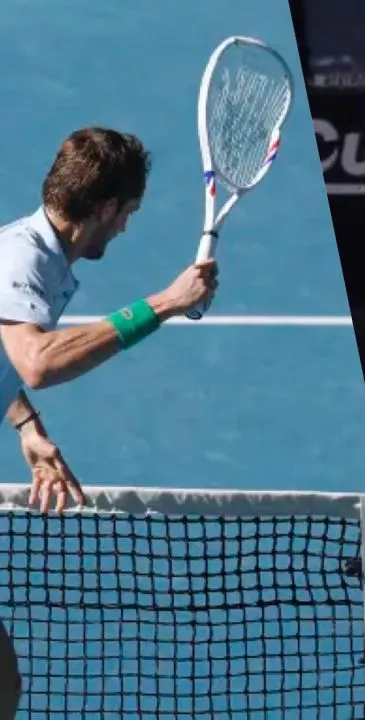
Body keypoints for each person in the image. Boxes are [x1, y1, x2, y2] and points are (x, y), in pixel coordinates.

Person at [0, 126, 218, 715]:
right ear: (104, 208)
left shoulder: (35, 254)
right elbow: (37, 361)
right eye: (128, 213)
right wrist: (163, 304)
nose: (126, 227)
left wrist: (25, 425)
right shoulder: (23, 256)